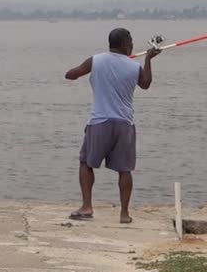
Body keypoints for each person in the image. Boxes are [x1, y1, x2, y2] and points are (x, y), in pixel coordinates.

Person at [64, 28, 160, 223]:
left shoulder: (96, 60)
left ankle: (87, 207)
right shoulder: (134, 67)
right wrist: (149, 59)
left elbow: (71, 75)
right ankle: (124, 214)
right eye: (131, 42)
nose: (133, 45)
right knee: (125, 170)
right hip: (125, 124)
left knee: (86, 163)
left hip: (99, 122)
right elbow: (146, 84)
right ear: (125, 45)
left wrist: (74, 72)